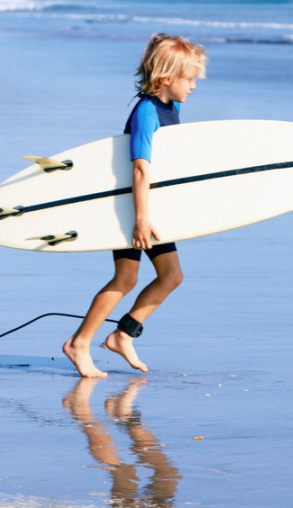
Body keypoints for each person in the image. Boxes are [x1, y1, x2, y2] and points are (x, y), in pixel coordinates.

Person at [63, 33, 208, 378]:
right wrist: (141, 220)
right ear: (166, 78)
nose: (194, 87)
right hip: (131, 209)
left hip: (152, 210)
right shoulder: (147, 112)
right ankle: (79, 343)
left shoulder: (169, 108)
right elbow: (140, 167)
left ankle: (122, 334)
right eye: (190, 79)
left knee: (171, 276)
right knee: (126, 277)